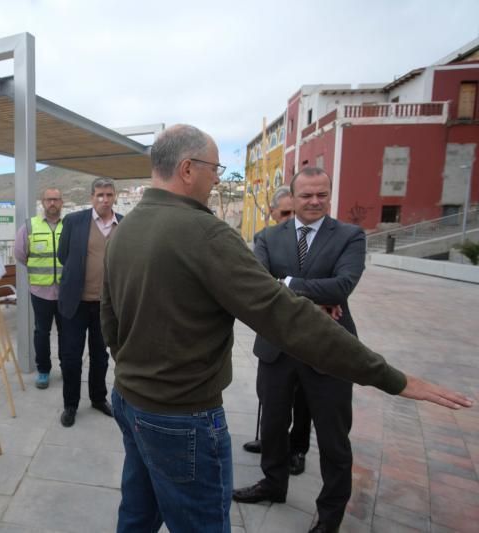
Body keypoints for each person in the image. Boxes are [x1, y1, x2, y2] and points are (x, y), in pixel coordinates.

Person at [100, 124, 472, 533]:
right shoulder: (204, 233)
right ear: (187, 169)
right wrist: (389, 377)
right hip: (181, 415)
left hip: (129, 399)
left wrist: (136, 374)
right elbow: (287, 316)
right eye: (214, 168)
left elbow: (110, 318)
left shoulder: (125, 228)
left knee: (137, 515)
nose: (218, 177)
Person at [233, 167, 368, 531]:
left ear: (329, 193)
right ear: (292, 196)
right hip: (277, 348)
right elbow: (258, 286)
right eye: (306, 195)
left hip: (329, 351)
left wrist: (288, 283)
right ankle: (273, 484)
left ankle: (329, 516)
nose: (314, 201)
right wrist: (313, 294)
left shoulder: (350, 236)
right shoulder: (267, 237)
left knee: (333, 438)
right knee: (274, 425)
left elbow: (342, 286)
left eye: (321, 194)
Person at [242, 185, 314, 478]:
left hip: (309, 333)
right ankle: (270, 441)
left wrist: (284, 282)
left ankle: (297, 450)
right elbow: (260, 280)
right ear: (272, 213)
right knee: (269, 395)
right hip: (274, 333)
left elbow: (323, 281)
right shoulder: (265, 240)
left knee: (303, 400)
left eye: (293, 213)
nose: (289, 219)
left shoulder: (311, 241)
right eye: (284, 213)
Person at [57, 177, 122, 427]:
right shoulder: (74, 221)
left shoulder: (123, 224)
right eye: (99, 195)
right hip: (76, 303)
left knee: (101, 355)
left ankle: (98, 398)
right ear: (91, 197)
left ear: (115, 196)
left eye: (108, 195)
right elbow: (64, 255)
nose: (104, 199)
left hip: (107, 306)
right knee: (71, 356)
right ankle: (70, 405)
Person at [14, 187, 64, 389]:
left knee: (67, 333)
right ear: (42, 202)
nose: (52, 203)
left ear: (62, 202)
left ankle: (66, 366)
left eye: (56, 199)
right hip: (40, 292)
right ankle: (43, 370)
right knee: (42, 333)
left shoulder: (69, 225)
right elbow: (20, 254)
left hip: (65, 292)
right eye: (48, 199)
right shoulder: (29, 226)